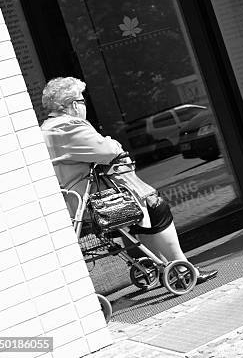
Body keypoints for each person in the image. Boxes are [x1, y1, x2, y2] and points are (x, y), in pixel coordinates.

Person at [40, 76, 217, 284]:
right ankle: (183, 269)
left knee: (144, 210)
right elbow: (109, 151)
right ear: (72, 105)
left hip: (76, 204)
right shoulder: (69, 127)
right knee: (155, 205)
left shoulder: (46, 129)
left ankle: (165, 268)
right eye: (82, 100)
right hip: (95, 204)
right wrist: (111, 141)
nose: (84, 105)